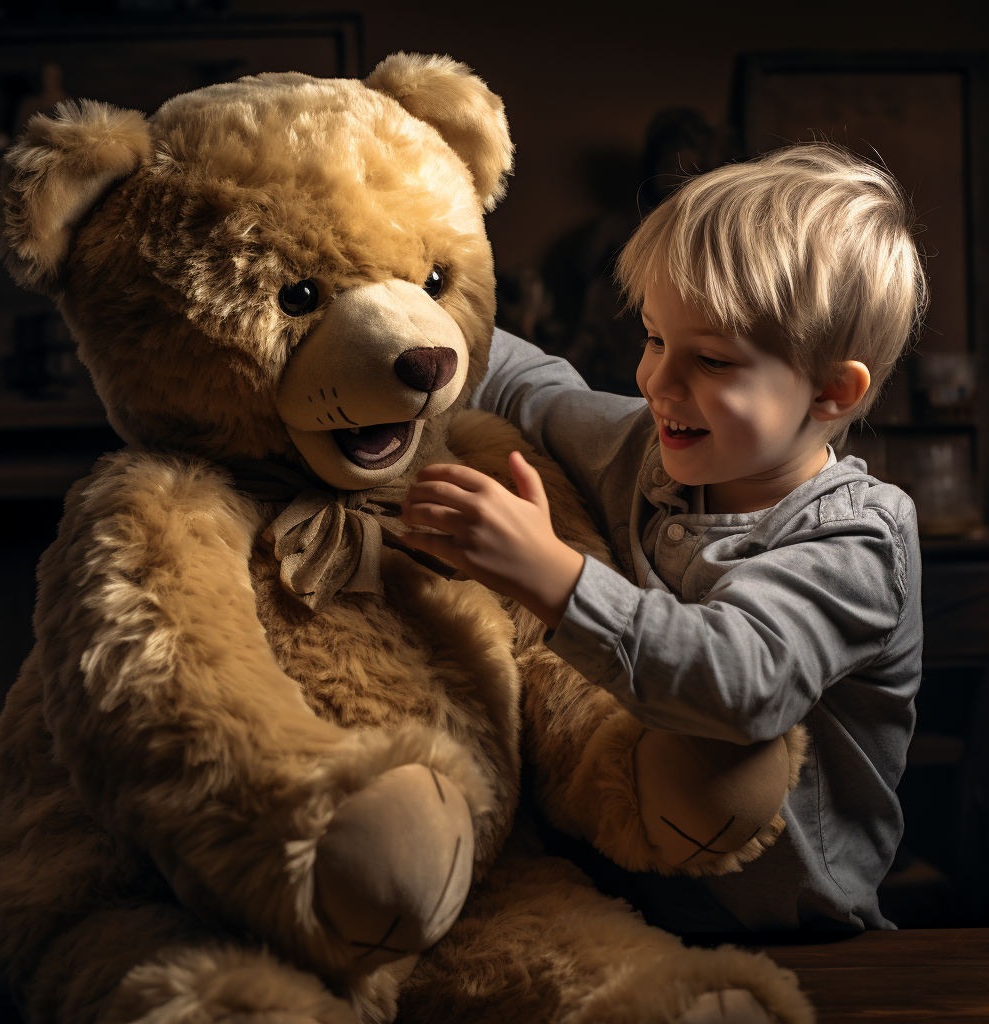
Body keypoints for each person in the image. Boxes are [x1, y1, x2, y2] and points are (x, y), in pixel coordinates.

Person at [400, 143, 928, 935]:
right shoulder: (642, 443)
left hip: (792, 936)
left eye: (711, 359)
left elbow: (742, 681)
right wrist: (409, 310)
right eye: (653, 338)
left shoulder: (860, 538)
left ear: (831, 389)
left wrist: (551, 574)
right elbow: (526, 384)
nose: (657, 383)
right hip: (619, 910)